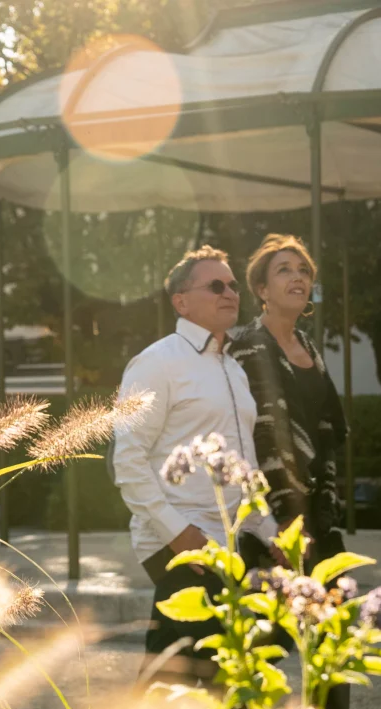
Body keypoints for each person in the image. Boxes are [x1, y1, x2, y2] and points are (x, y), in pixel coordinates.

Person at [113, 245, 277, 683]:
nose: (230, 293)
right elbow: (127, 460)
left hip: (232, 544)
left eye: (233, 285)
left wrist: (269, 530)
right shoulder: (155, 363)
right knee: (175, 677)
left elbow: (246, 464)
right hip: (179, 543)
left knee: (229, 675)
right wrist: (179, 533)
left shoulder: (234, 370)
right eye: (216, 285)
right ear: (180, 301)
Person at [232, 232, 352, 709]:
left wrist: (321, 509)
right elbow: (259, 434)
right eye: (284, 270)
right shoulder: (245, 344)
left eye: (303, 271)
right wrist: (284, 517)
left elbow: (327, 432)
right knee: (269, 638)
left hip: (320, 518)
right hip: (273, 520)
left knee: (333, 642)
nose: (298, 278)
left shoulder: (308, 348)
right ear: (261, 287)